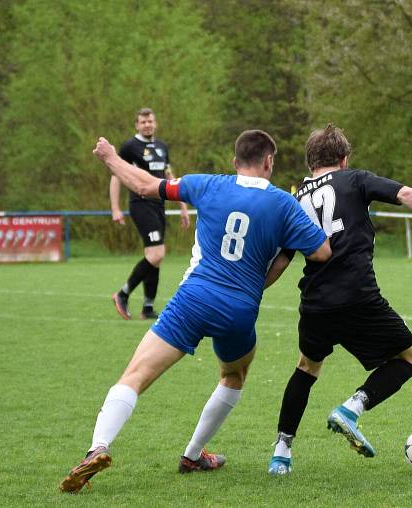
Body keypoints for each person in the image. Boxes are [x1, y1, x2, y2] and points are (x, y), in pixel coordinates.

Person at [60, 130, 331, 493]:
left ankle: (98, 448)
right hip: (239, 309)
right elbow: (322, 252)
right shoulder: (285, 205)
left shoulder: (208, 185)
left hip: (194, 298)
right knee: (233, 376)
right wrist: (281, 254)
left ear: (235, 163)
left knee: (136, 375)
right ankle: (193, 454)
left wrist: (110, 157)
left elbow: (144, 186)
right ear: (269, 162)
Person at [265, 124, 412, 475]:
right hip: (357, 296)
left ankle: (281, 453)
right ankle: (353, 407)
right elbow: (408, 194)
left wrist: (252, 291)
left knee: (307, 367)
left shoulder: (298, 197)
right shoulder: (355, 179)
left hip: (315, 303)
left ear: (309, 163)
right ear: (344, 159)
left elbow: (284, 258)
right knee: (410, 358)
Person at [110, 107, 190, 320]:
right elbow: (116, 175)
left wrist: (182, 206)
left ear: (155, 123)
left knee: (155, 257)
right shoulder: (129, 147)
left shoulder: (162, 147)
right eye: (143, 122)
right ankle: (122, 294)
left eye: (150, 121)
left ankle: (147, 307)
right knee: (157, 254)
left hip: (159, 205)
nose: (147, 125)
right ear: (137, 125)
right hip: (141, 203)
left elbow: (169, 175)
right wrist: (116, 208)